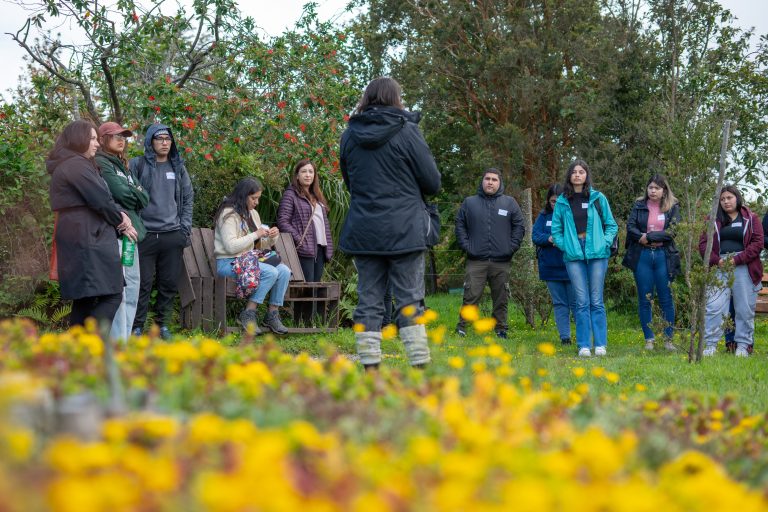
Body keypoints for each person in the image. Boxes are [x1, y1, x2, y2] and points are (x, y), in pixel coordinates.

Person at [339, 76, 441, 370]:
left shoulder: (349, 135)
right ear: (396, 98)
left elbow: (350, 182)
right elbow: (432, 182)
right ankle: (419, 367)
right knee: (410, 299)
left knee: (368, 301)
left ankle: (370, 368)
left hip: (365, 228)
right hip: (404, 228)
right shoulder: (407, 131)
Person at [47, 119, 137, 329]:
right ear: (79, 140)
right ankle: (87, 344)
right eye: (93, 139)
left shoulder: (74, 164)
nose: (97, 144)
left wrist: (119, 214)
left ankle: (77, 353)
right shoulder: (75, 165)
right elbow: (100, 198)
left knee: (85, 299)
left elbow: (102, 198)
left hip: (81, 233)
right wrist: (121, 220)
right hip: (87, 236)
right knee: (113, 294)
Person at [130, 124, 193, 340]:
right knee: (143, 284)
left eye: (168, 139)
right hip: (145, 235)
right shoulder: (137, 165)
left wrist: (184, 229)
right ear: (151, 141)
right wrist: (135, 227)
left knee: (168, 284)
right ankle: (136, 327)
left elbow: (187, 198)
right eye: (160, 139)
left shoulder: (178, 167)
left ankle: (161, 326)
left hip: (172, 235)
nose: (165, 142)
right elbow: (127, 198)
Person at [551, 159, 617, 357]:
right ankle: (584, 345)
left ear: (586, 175)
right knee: (581, 301)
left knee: (596, 300)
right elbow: (556, 230)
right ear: (569, 176)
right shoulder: (562, 201)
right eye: (574, 172)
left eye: (581, 172)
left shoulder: (598, 198)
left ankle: (600, 345)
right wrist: (567, 247)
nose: (577, 175)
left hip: (597, 252)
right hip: (574, 254)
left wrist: (604, 242)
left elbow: (611, 225)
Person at [214, 177, 291, 335]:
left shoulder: (253, 213)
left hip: (248, 261)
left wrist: (271, 237)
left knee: (283, 271)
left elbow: (259, 245)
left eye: (258, 198)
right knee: (270, 272)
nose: (256, 202)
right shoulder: (228, 214)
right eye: (253, 198)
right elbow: (230, 247)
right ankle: (248, 314)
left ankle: (272, 314)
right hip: (228, 263)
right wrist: (256, 234)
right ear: (243, 196)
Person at [455, 168, 525, 339]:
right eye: (487, 179)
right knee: (471, 295)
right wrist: (467, 246)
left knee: (501, 297)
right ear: (482, 181)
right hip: (476, 259)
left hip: (501, 260)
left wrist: (511, 248)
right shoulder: (470, 203)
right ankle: (462, 328)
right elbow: (459, 225)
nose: (490, 182)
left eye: (494, 179)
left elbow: (519, 227)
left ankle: (501, 329)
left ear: (500, 183)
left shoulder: (509, 203)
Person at [96, 122, 149, 342]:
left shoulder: (122, 165)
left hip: (132, 235)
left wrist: (134, 192)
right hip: (117, 235)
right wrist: (134, 192)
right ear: (102, 140)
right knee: (121, 290)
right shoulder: (100, 162)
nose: (121, 140)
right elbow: (120, 193)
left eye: (124, 137)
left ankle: (124, 339)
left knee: (133, 288)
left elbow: (144, 198)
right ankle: (117, 341)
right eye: (115, 136)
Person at [698, 185, 763, 357]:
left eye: (729, 198)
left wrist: (736, 260)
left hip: (744, 267)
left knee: (743, 309)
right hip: (719, 266)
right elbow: (703, 244)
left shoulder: (750, 218)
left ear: (737, 198)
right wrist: (717, 261)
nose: (726, 201)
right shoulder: (712, 219)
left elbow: (757, 243)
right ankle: (709, 346)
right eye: (722, 199)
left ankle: (743, 346)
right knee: (714, 307)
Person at [622, 174, 681, 351]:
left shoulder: (673, 207)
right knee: (645, 298)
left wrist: (647, 236)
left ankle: (668, 340)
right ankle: (649, 340)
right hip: (643, 256)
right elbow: (630, 227)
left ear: (664, 191)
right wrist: (642, 238)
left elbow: (672, 232)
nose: (653, 191)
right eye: (650, 187)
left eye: (657, 188)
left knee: (666, 299)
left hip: (664, 255)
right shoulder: (639, 205)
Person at [277, 159, 334, 282]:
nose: (308, 175)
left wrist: (328, 247)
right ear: (297, 176)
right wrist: (299, 240)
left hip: (319, 248)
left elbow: (323, 224)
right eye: (304, 171)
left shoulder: (317, 196)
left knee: (315, 289)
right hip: (303, 249)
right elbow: (283, 221)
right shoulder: (291, 194)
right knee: (304, 289)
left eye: (311, 172)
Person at [532, 184, 574, 345]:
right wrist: (549, 239)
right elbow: (536, 235)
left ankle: (584, 336)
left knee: (577, 303)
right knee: (559, 303)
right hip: (550, 267)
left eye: (559, 200)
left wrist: (564, 241)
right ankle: (565, 337)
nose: (555, 204)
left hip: (571, 266)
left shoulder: (573, 215)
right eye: (553, 201)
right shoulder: (544, 216)